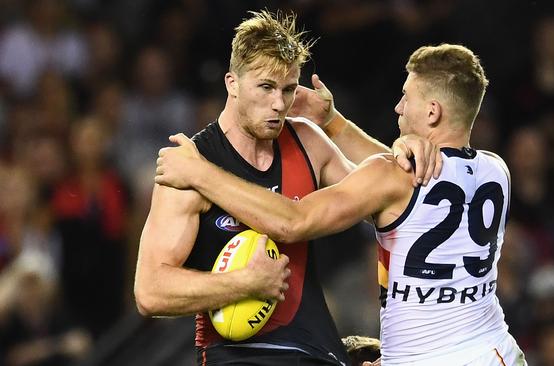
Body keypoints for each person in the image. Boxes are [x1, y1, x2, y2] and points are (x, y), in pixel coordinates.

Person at [155, 44, 528, 365]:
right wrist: (331, 121)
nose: (398, 108)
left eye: (406, 98)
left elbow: (294, 221)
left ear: (432, 112)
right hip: (499, 351)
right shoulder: (497, 170)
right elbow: (417, 191)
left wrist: (199, 172)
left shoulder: (390, 176)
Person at [134, 10, 439, 366]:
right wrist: (243, 284)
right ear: (232, 83)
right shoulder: (189, 165)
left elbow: (390, 204)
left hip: (318, 352)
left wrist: (393, 149)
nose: (279, 104)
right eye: (266, 87)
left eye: (289, 89)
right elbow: (150, 291)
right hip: (238, 357)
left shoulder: (307, 141)